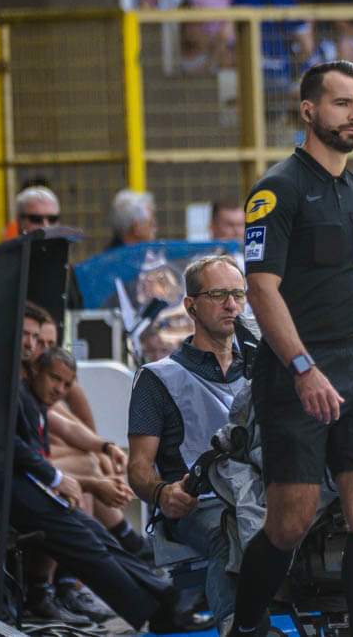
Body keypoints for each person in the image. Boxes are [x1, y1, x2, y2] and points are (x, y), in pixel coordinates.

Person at [229, 59, 353, 637]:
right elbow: (261, 290)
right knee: (289, 521)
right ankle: (245, 627)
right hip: (296, 372)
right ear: (309, 111)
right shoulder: (278, 189)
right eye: (342, 104)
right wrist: (303, 368)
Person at [12, 347, 212, 633]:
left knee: (96, 534)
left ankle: (165, 597)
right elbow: (16, 449)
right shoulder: (20, 396)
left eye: (66, 384)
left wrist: (104, 450)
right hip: (15, 492)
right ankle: (156, 608)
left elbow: (70, 431)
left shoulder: (37, 402)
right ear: (35, 372)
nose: (59, 390)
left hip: (30, 487)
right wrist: (62, 479)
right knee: (84, 539)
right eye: (54, 379)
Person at [127, 255, 248, 636]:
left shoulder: (265, 368)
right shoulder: (157, 379)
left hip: (264, 492)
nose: (231, 305)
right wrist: (162, 493)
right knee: (231, 533)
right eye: (218, 294)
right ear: (190, 305)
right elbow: (138, 467)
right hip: (202, 505)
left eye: (238, 295)